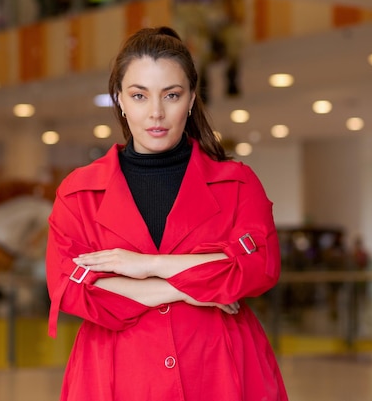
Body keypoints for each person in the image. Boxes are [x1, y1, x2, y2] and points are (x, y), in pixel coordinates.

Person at [45, 26, 288, 400]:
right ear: (120, 100)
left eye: (171, 95)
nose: (156, 113)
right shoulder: (80, 193)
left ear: (191, 99)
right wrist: (197, 289)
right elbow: (74, 291)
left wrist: (145, 266)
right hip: (116, 376)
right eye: (139, 95)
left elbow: (255, 269)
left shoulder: (237, 184)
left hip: (219, 372)